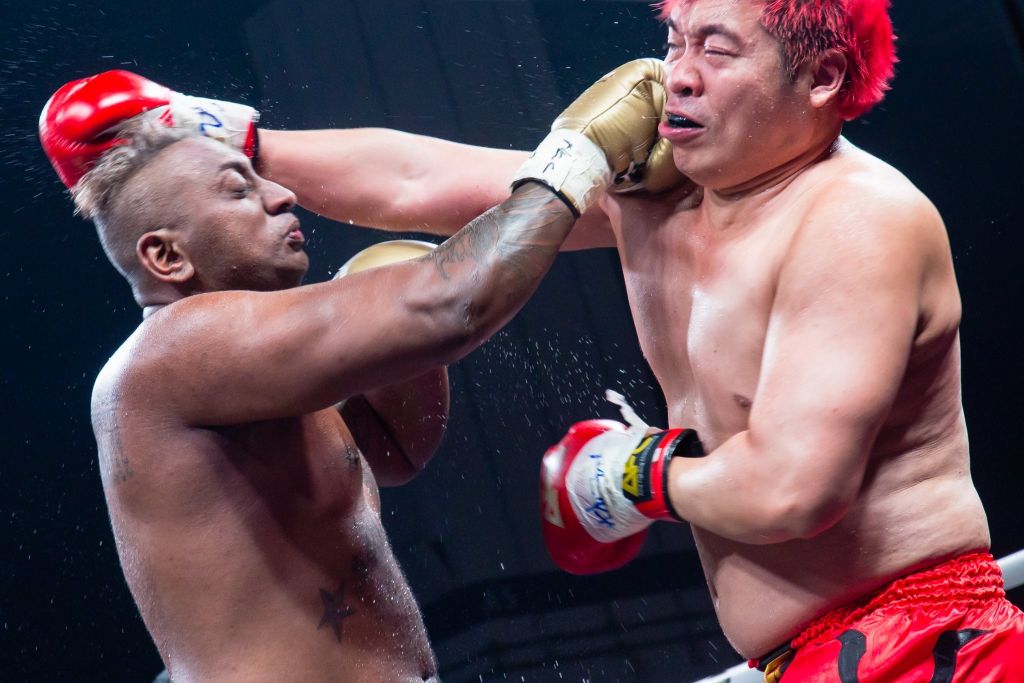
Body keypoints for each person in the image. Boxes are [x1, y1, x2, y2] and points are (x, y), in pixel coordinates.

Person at [131, 0, 1024, 680]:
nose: (675, 74)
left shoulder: (856, 222)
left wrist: (631, 474)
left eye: (717, 48)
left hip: (925, 640)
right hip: (809, 653)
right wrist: (215, 130)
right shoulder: (660, 197)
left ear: (822, 78)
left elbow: (794, 490)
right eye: (674, 39)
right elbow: (420, 179)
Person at [37, 62, 678, 681]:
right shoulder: (174, 350)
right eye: (239, 189)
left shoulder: (256, 380)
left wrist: (405, 357)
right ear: (166, 256)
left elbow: (392, 451)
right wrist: (576, 156)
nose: (282, 192)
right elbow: (452, 303)